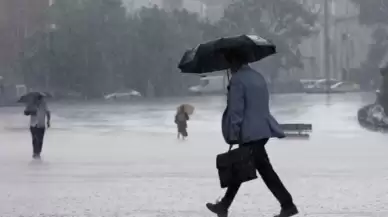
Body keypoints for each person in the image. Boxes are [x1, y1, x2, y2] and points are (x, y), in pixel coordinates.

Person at [206, 51, 298, 217]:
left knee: (256, 168)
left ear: (234, 61)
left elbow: (236, 111)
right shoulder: (258, 77)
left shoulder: (237, 80)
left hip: (249, 133)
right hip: (262, 129)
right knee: (246, 166)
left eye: (229, 62)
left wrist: (233, 132)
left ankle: (288, 204)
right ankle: (224, 205)